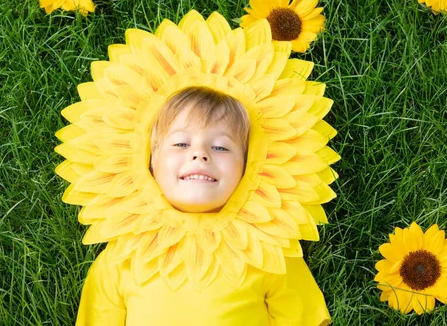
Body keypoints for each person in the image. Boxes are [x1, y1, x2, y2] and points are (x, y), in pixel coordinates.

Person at [75, 86, 331, 326]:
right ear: (149, 163)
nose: (200, 153)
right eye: (180, 144)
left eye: (221, 146)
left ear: (248, 167)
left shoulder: (270, 251)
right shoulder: (121, 257)